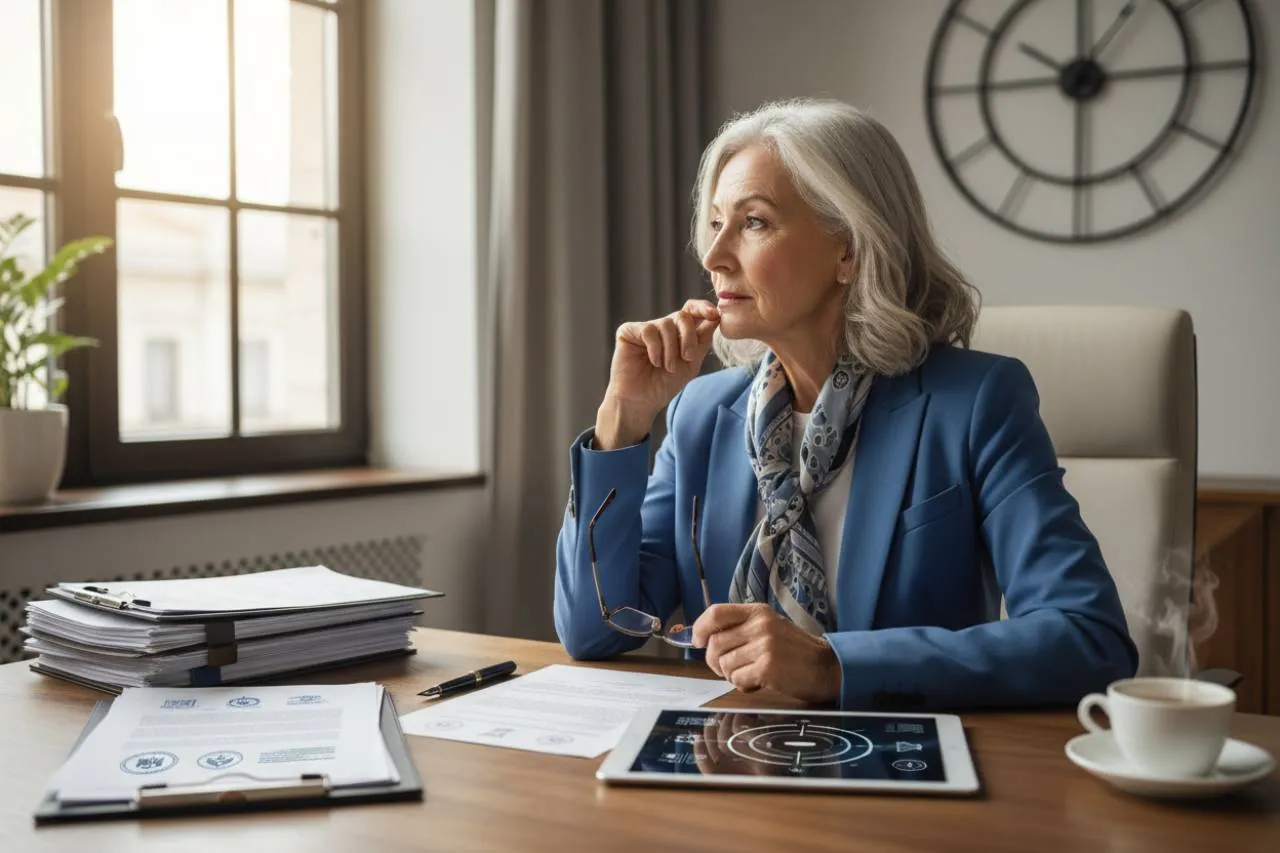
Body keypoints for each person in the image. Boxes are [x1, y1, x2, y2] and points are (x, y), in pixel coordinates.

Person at [553, 98, 1138, 710]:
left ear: (850, 250)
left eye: (753, 222)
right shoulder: (701, 412)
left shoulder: (975, 404)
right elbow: (596, 629)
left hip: (900, 770)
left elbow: (1087, 638)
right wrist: (622, 420)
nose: (714, 255)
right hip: (729, 760)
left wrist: (835, 665)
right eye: (716, 222)